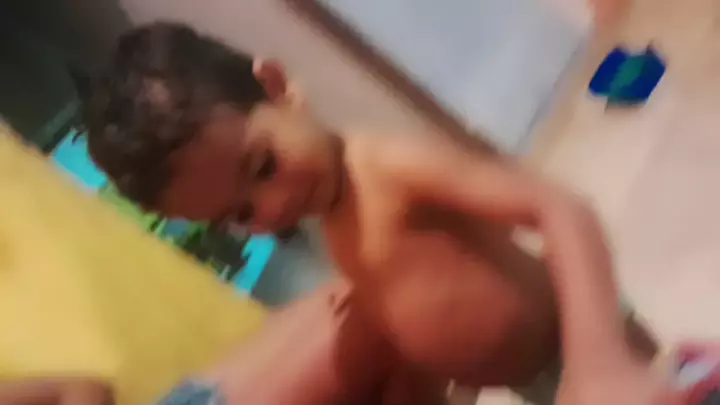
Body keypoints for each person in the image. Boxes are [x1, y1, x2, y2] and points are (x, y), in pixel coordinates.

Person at [76, 22, 659, 403]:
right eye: (241, 213)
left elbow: (558, 206)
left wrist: (600, 358)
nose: (273, 207)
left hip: (580, 331)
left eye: (263, 167)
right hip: (536, 376)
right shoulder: (337, 224)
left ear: (277, 87)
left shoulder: (387, 166)